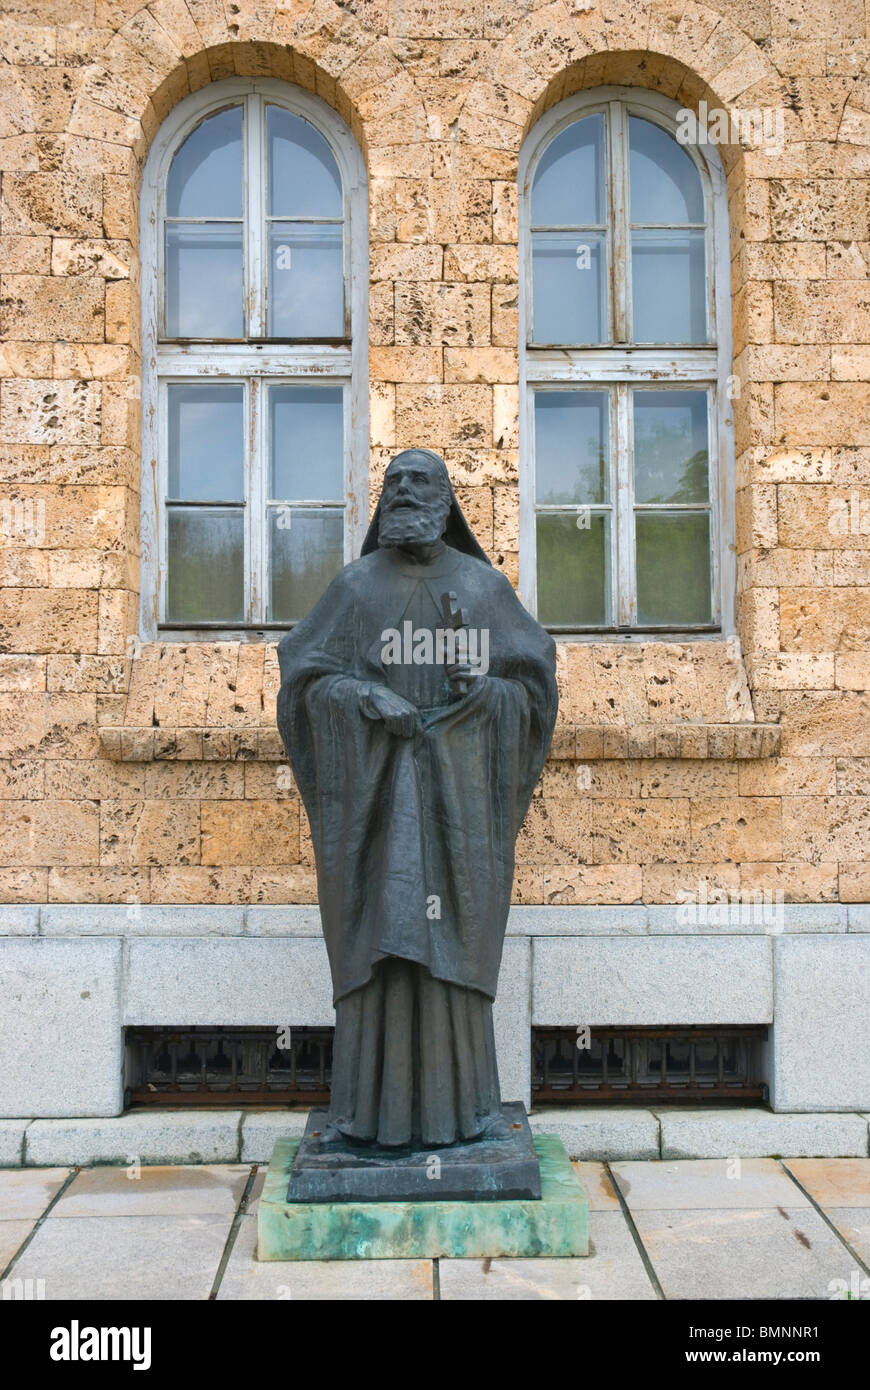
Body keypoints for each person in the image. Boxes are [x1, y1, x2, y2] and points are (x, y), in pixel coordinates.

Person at [277, 448, 557, 1149]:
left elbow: (533, 691)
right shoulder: (354, 588)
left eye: (419, 481)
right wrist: (363, 697)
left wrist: (483, 693)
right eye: (393, 481)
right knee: (383, 934)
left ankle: (459, 1113)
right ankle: (371, 1116)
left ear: (445, 499)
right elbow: (305, 685)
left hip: (457, 807)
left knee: (448, 941)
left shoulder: (484, 589)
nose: (404, 491)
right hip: (377, 810)